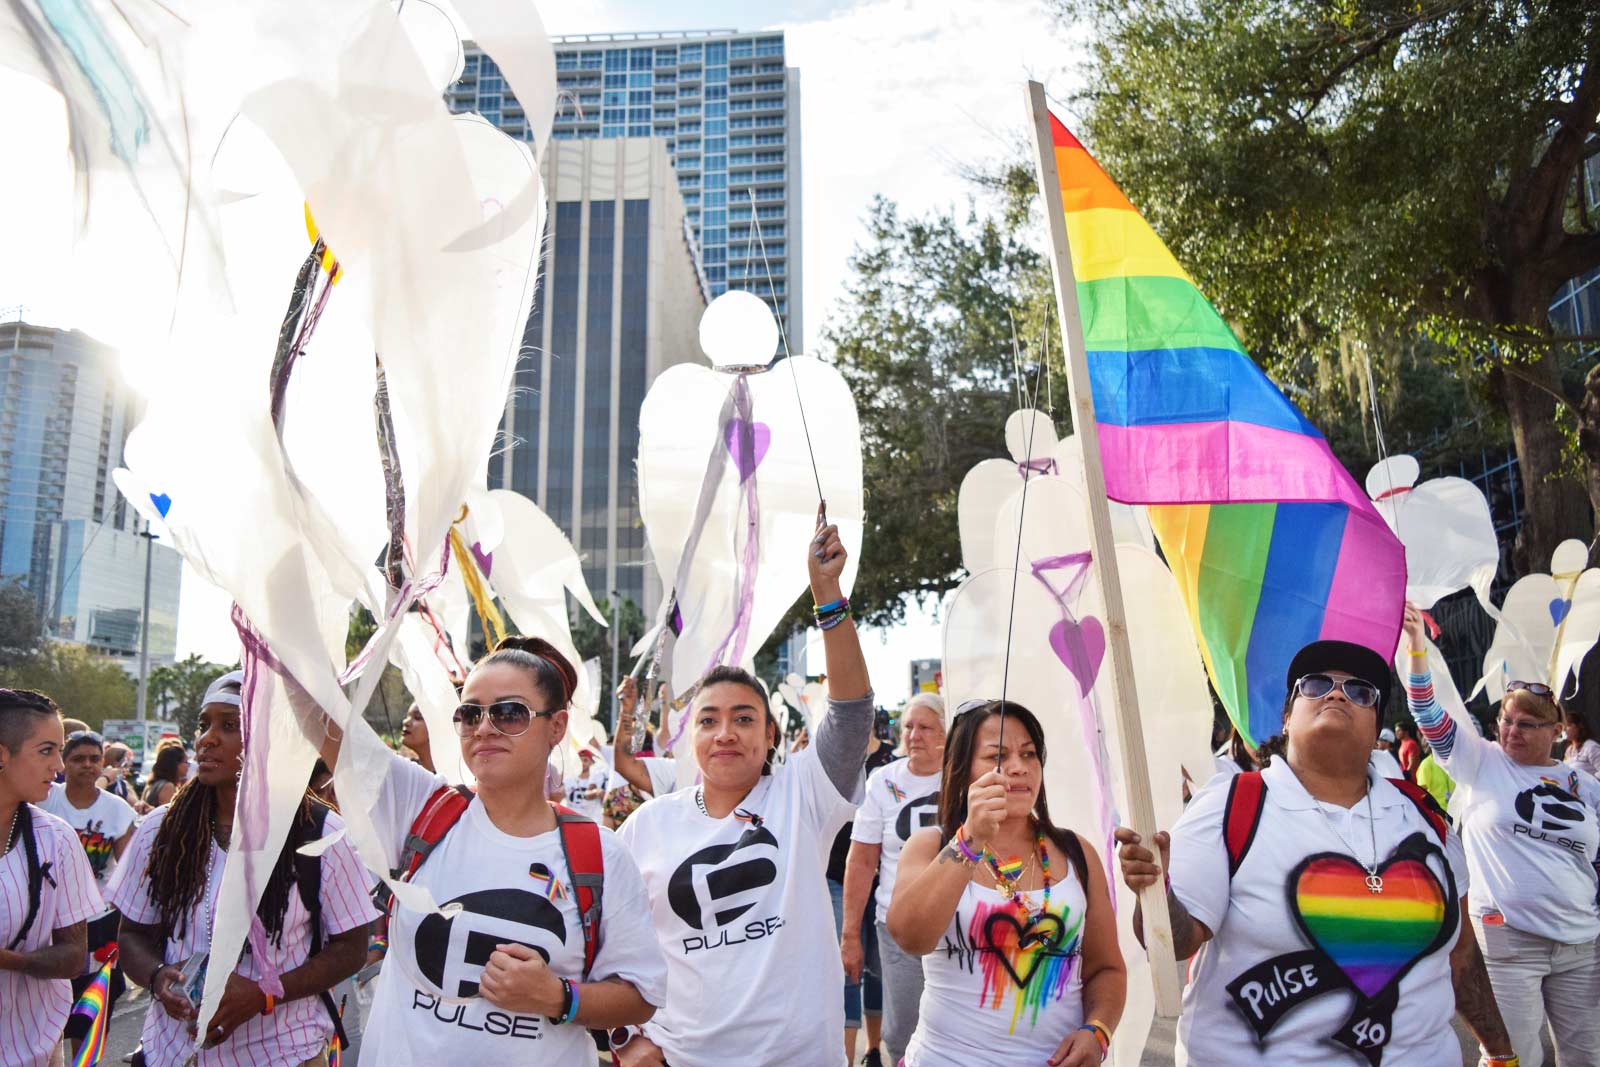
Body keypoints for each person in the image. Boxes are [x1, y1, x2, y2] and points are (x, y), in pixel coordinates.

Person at [1117, 637, 1516, 1066]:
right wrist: (1158, 889)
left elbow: (1462, 956)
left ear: (1375, 722)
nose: (1338, 692)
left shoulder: (1422, 816)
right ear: (1287, 718)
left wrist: (1500, 1051)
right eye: (1316, 684)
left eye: (1360, 692)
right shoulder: (1231, 803)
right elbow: (1177, 940)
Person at [314, 635, 666, 1066]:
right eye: (470, 713)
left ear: (556, 727)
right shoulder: (420, 806)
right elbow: (318, 714)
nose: (485, 727)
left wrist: (558, 998)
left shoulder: (600, 855)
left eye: (510, 713)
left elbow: (639, 995)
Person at [614, 517, 875, 1067]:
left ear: (769, 733)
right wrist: (629, 1039)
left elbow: (852, 716)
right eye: (708, 721)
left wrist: (826, 596)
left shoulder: (803, 794)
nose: (725, 732)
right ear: (692, 737)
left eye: (743, 718)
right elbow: (613, 944)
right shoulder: (648, 825)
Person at [110, 672, 376, 1067]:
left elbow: (352, 949)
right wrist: (158, 976)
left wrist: (264, 993)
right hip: (171, 1052)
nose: (206, 739)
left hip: (282, 1053)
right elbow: (132, 935)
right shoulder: (160, 830)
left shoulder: (323, 835)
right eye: (204, 725)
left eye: (230, 725)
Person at [1400, 602, 1600, 1066]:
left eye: (1527, 725)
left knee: (1585, 1057)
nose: (1511, 731)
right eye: (1506, 721)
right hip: (1510, 947)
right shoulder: (1482, 761)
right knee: (1515, 1058)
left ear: (1554, 733)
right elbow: (1427, 713)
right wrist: (1416, 649)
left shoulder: (1582, 784)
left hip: (1580, 945)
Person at [888, 701, 1124, 1067]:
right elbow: (910, 937)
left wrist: (1097, 1031)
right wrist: (969, 841)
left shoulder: (1076, 853)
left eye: (1029, 754)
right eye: (997, 756)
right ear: (964, 770)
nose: (1018, 767)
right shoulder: (931, 846)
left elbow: (1106, 968)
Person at [0, 690, 103, 1067]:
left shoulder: (56, 839)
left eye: (59, 751)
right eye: (46, 751)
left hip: (35, 1049)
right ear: (1, 754)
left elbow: (74, 956)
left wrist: (10, 961)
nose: (59, 766)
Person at [841, 693, 945, 1066]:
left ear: (946, 736)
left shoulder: (964, 779)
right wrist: (851, 934)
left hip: (957, 927)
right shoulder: (884, 781)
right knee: (904, 1028)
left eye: (925, 727)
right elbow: (862, 859)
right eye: (908, 727)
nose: (914, 734)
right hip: (897, 926)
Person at [42, 729, 137, 1059]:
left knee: (92, 1006)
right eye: (78, 758)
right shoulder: (44, 799)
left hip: (99, 922)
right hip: (47, 919)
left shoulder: (117, 810)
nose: (87, 765)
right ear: (63, 762)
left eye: (94, 759)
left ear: (103, 763)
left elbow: (128, 869)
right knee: (48, 1002)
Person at [831, 710, 899, 1065]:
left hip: (883, 882)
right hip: (837, 877)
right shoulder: (832, 765)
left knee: (877, 968)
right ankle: (844, 1056)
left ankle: (873, 1050)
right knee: (847, 967)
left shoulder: (890, 762)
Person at [563, 747, 608, 823]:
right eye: (580, 760)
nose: (582, 763)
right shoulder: (568, 780)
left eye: (585, 760)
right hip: (572, 821)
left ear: (591, 762)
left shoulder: (597, 779)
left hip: (593, 821)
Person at [141, 741, 189, 808]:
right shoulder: (168, 786)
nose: (188, 765)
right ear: (175, 764)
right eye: (186, 762)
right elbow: (166, 814)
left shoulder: (152, 784)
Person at [1562, 707, 1600, 779]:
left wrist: (1588, 783)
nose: (1564, 729)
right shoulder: (1569, 749)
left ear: (1579, 726)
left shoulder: (1591, 747)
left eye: (1568, 726)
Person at [399, 703, 434, 774]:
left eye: (417, 717)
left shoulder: (454, 779)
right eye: (407, 716)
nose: (405, 721)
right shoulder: (405, 771)